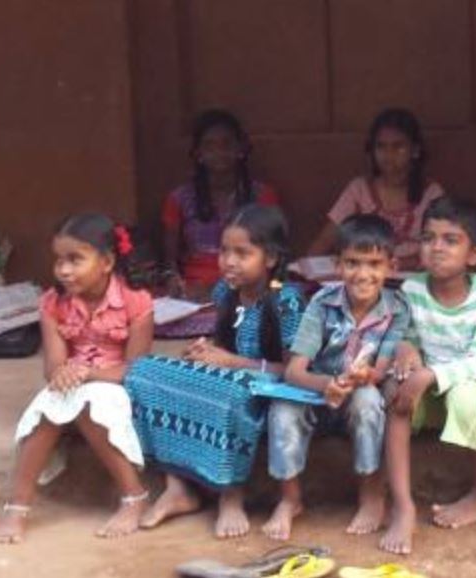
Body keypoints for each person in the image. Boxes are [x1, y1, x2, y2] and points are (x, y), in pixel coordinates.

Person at [135, 205, 305, 538]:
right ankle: (177, 486)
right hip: (229, 379)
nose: (229, 261)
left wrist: (231, 362)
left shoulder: (287, 301)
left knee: (227, 390)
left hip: (266, 388)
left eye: (242, 253)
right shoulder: (224, 292)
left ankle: (230, 494)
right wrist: (204, 354)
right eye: (225, 251)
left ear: (270, 258)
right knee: (143, 371)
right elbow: (223, 346)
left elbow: (292, 371)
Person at [0, 214, 154, 544]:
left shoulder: (136, 301)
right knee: (45, 412)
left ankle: (134, 496)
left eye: (75, 259)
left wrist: (90, 375)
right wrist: (62, 373)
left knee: (89, 405)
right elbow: (53, 367)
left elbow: (137, 369)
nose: (63, 270)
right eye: (59, 260)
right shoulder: (53, 304)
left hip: (117, 386)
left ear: (107, 262)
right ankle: (18, 505)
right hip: (72, 385)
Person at [263, 214, 410, 541]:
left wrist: (365, 375)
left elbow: (381, 368)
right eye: (353, 263)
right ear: (337, 265)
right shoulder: (322, 303)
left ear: (392, 266)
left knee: (368, 401)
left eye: (374, 264)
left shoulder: (398, 308)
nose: (363, 274)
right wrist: (326, 385)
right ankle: (289, 499)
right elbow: (295, 370)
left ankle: (371, 494)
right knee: (282, 410)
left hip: (359, 391)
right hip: (317, 392)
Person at [380, 196, 476, 555]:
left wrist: (429, 374)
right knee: (395, 391)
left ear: (474, 254)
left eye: (451, 240)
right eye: (428, 238)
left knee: (465, 394)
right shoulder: (412, 289)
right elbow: (407, 338)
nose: (437, 248)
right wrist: (406, 349)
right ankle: (403, 505)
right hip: (430, 394)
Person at [161, 109, 279, 308]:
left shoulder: (262, 196)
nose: (219, 152)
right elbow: (169, 261)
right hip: (194, 292)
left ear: (241, 149)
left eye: (226, 144)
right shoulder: (178, 199)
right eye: (209, 146)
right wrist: (173, 280)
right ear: (198, 154)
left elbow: (273, 256)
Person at [307, 108, 444, 269]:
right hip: (364, 278)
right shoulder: (359, 190)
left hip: (416, 279)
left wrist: (393, 266)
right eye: (381, 146)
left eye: (398, 146)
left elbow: (440, 250)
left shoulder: (432, 194)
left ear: (415, 151)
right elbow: (325, 240)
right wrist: (307, 270)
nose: (388, 154)